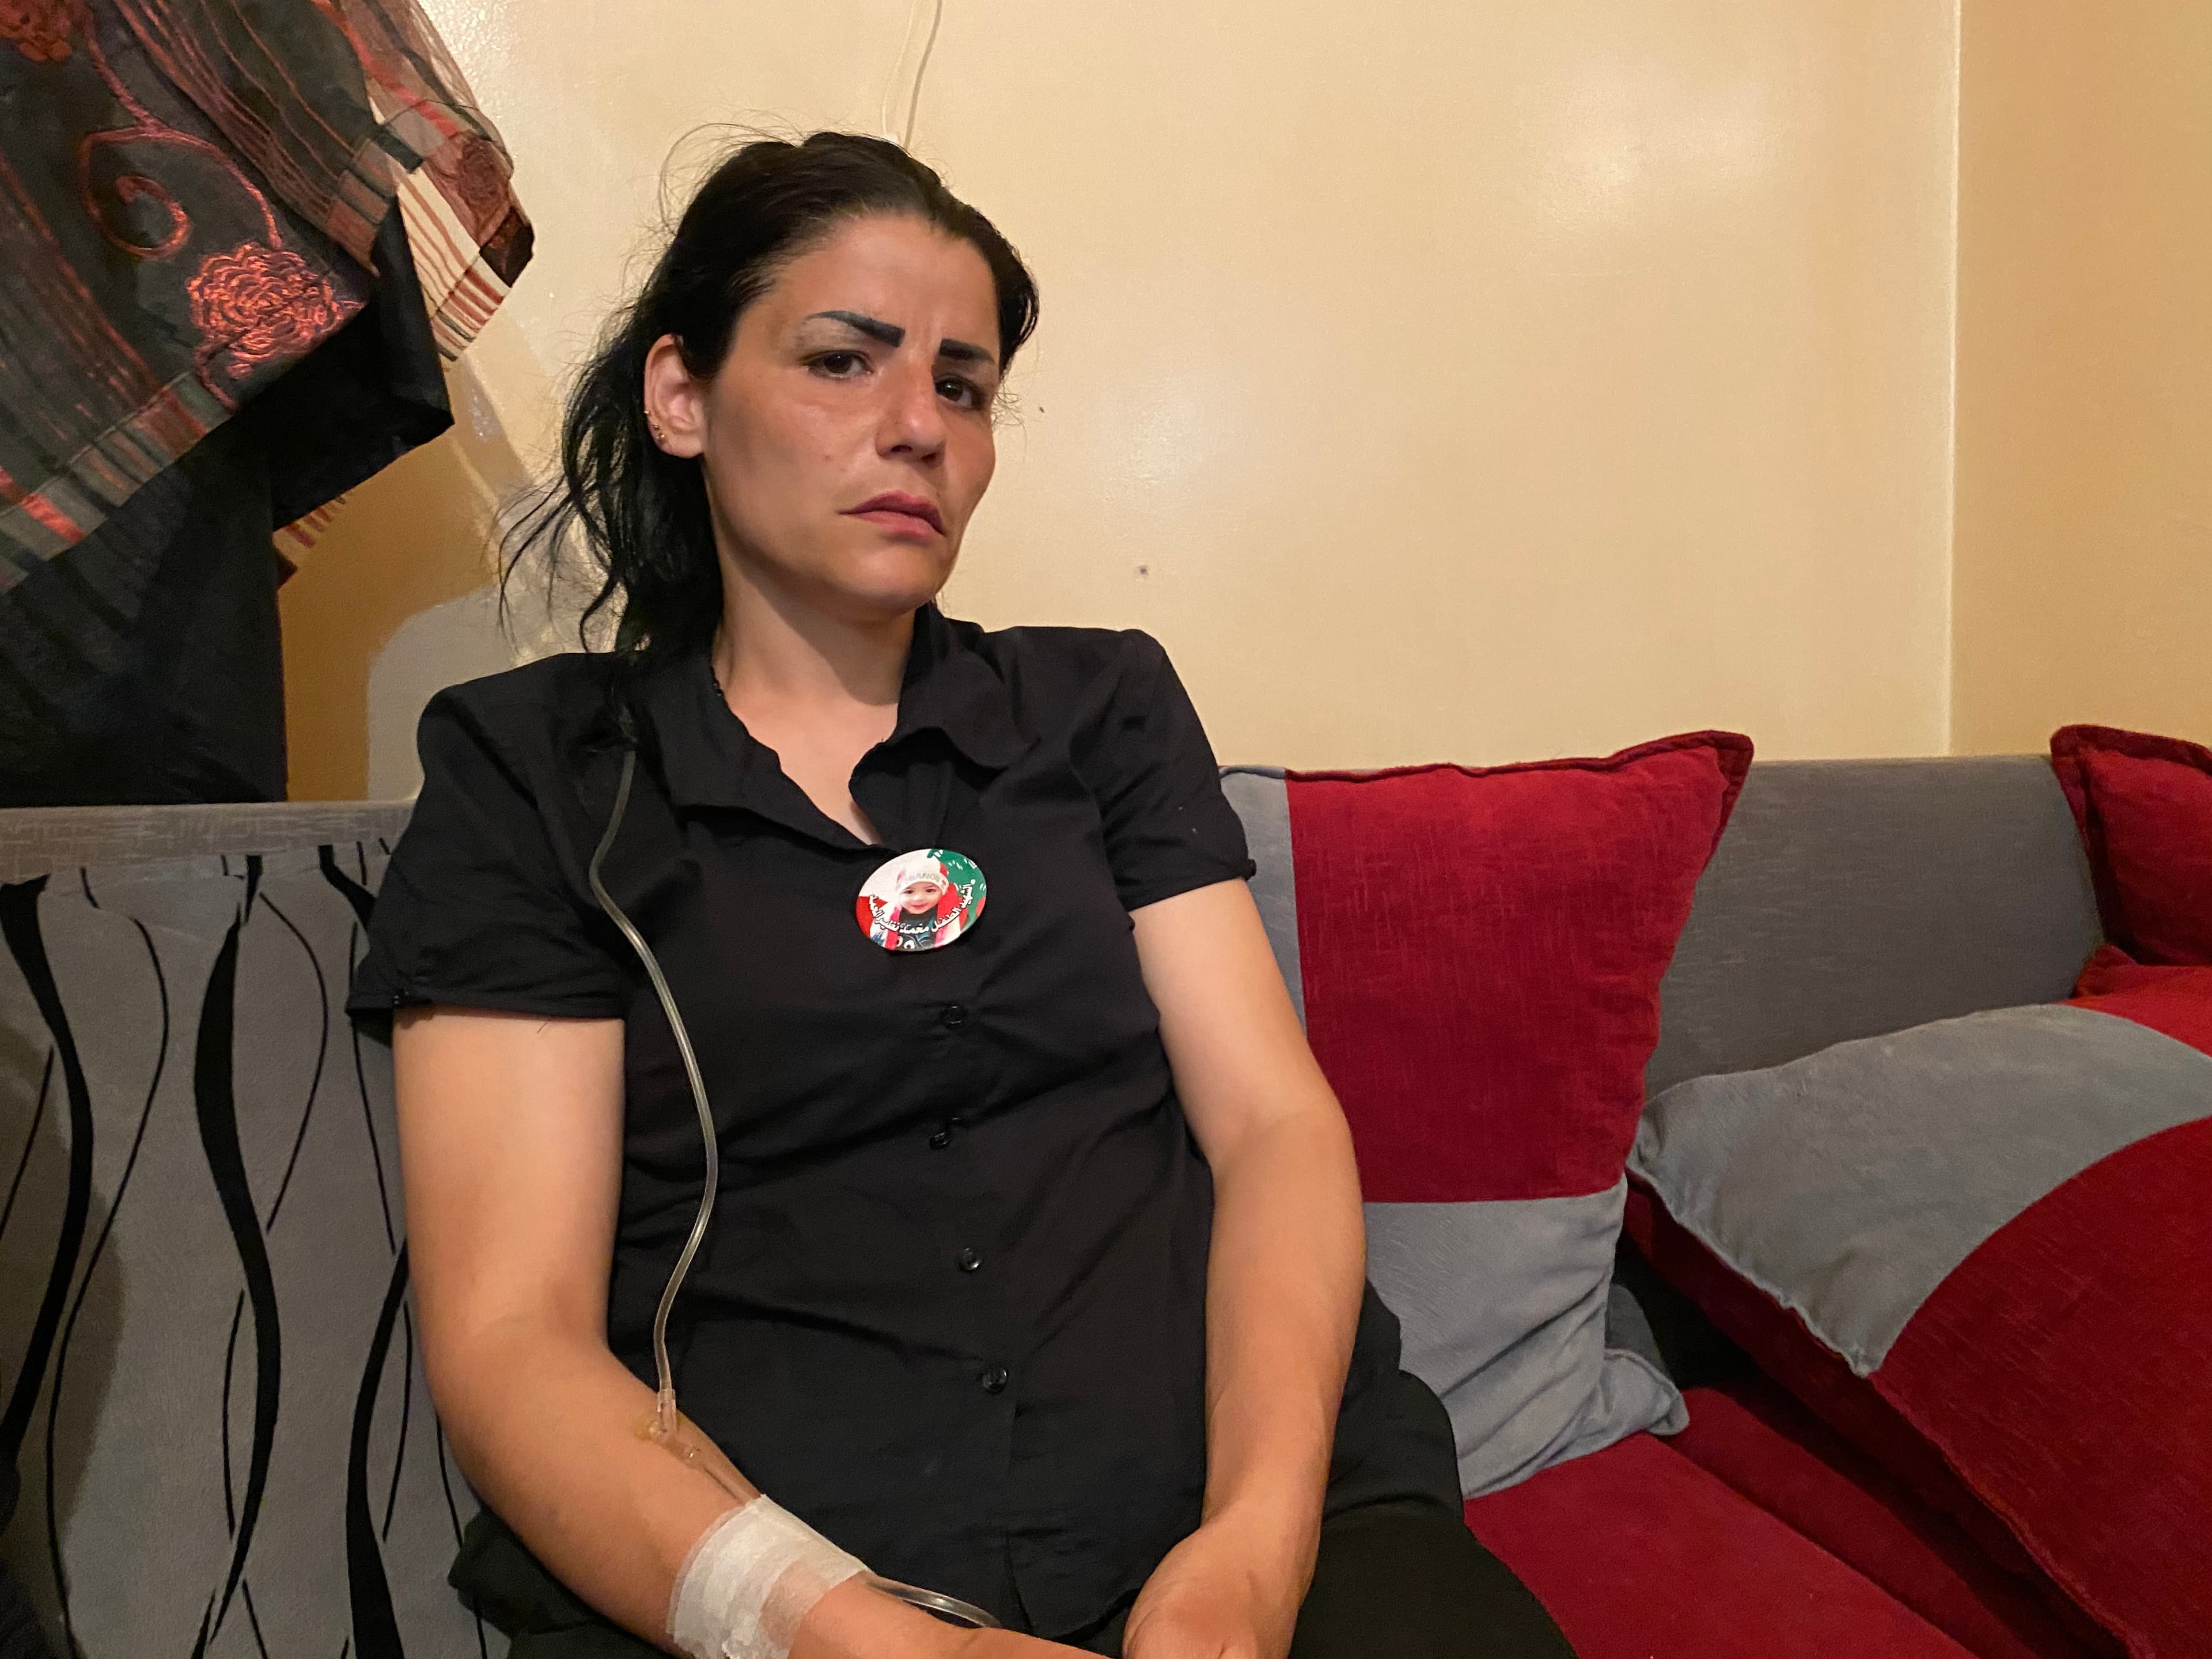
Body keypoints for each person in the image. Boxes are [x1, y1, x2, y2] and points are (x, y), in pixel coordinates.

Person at [348, 132, 1578, 1659]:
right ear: (682, 394)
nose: (917, 427)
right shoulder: (539, 775)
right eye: (843, 361)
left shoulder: (1099, 712)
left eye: (964, 384)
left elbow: (1272, 1127)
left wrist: (1250, 1557)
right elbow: (510, 1339)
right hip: (781, 1583)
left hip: (1246, 1516)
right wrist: (857, 1635)